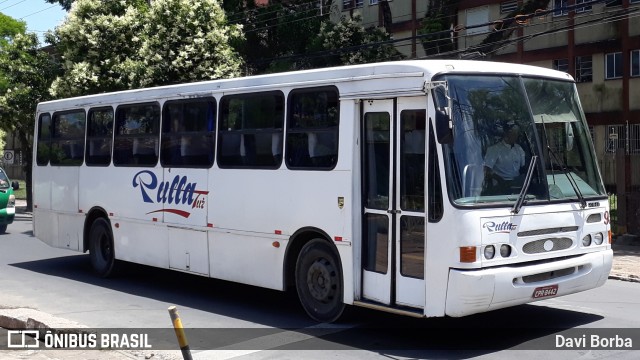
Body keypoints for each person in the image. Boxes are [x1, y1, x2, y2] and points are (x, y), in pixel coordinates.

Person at [484, 124, 526, 190]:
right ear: (506, 134)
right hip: (500, 186)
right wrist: (500, 180)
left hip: (517, 184)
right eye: (513, 133)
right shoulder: (494, 149)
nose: (516, 136)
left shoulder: (519, 148)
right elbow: (487, 171)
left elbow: (523, 168)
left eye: (517, 133)